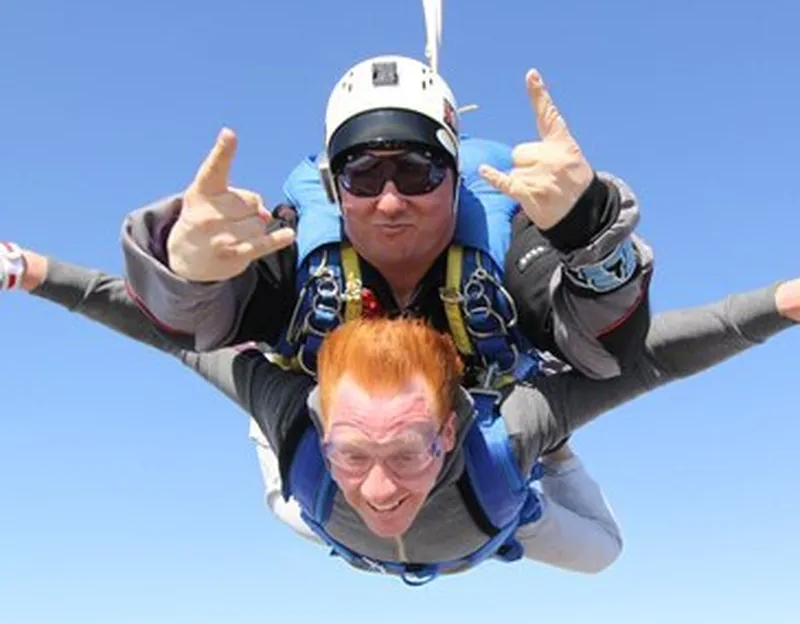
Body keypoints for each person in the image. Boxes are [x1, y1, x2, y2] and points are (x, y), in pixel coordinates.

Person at [5, 246, 798, 585]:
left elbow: (663, 353)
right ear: (323, 426)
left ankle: (554, 454)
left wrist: (779, 305)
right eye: (355, 453)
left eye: (409, 452)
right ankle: (535, 442)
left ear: (449, 432)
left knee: (602, 551)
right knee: (288, 487)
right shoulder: (296, 417)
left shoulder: (503, 433)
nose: (380, 491)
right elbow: (162, 331)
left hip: (496, 513)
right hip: (325, 489)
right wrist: (32, 272)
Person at [123, 61, 654, 387]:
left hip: (486, 442)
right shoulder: (291, 249)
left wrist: (590, 231)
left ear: (455, 176)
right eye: (364, 175)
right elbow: (195, 325)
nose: (391, 201)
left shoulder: (510, 247)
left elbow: (605, 352)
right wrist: (187, 272)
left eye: (417, 172)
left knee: (596, 548)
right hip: (335, 445)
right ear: (334, 189)